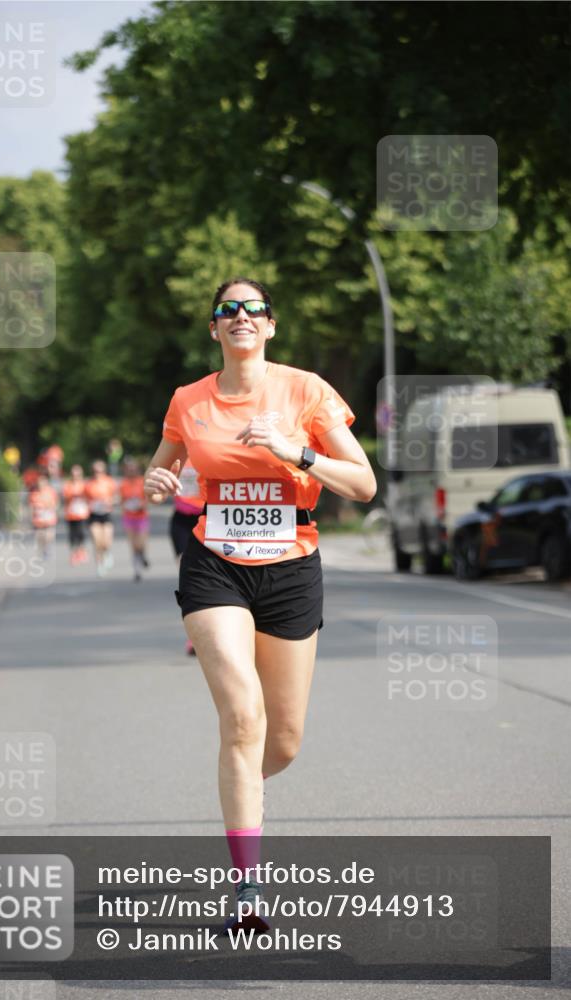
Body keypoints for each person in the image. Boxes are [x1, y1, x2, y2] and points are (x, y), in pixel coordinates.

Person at [144, 278, 377, 934]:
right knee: (242, 717)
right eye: (228, 309)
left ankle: (240, 782)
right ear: (214, 328)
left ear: (270, 325)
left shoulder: (306, 390)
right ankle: (247, 888)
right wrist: (157, 484)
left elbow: (363, 483)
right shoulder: (188, 400)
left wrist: (293, 451)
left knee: (283, 740)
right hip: (214, 564)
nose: (240, 316)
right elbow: (162, 473)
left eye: (253, 309)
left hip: (292, 568)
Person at [169, 461, 204, 654]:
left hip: (207, 518)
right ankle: (193, 635)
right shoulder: (176, 453)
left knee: (207, 579)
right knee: (188, 578)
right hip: (182, 519)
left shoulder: (209, 449)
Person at [85, 460, 117, 576]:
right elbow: (85, 499)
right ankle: (99, 565)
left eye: (100, 471)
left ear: (104, 471)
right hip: (94, 515)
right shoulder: (89, 484)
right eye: (95, 471)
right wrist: (90, 504)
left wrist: (109, 501)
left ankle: (107, 553)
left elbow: (116, 497)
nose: (97, 473)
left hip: (106, 513)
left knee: (106, 541)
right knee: (97, 541)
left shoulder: (109, 482)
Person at [120, 457, 150, 581]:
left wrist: (141, 505)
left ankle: (143, 555)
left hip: (141, 517)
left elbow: (148, 499)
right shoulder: (123, 484)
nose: (131, 471)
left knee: (141, 544)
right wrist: (125, 506)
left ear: (137, 470)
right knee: (133, 546)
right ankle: (137, 570)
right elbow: (121, 501)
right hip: (129, 517)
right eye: (129, 469)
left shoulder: (142, 482)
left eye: (133, 469)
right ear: (126, 470)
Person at [62, 465, 90, 565]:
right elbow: (65, 497)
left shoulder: (85, 484)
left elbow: (89, 496)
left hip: (82, 513)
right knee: (72, 534)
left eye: (77, 474)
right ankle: (74, 553)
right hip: (71, 513)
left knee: (81, 532)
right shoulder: (67, 485)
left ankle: (81, 551)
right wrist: (72, 496)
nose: (75, 476)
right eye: (73, 474)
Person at [28, 471, 58, 559]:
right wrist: (31, 516)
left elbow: (56, 503)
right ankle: (43, 548)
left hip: (49, 517)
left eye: (43, 481)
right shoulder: (33, 493)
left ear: (46, 482)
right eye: (39, 482)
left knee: (48, 535)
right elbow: (31, 506)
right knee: (39, 536)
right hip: (38, 518)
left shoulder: (51, 492)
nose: (41, 483)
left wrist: (51, 508)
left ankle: (48, 547)